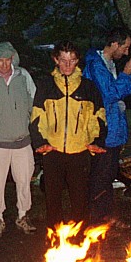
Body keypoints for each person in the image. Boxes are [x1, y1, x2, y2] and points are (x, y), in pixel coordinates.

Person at [31, 41, 107, 226]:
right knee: (53, 201)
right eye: (63, 60)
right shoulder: (45, 86)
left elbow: (98, 118)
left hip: (80, 153)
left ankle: (79, 240)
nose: (67, 65)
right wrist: (40, 143)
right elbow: (36, 118)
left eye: (71, 60)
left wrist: (96, 141)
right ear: (55, 59)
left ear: (77, 61)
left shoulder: (89, 87)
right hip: (52, 152)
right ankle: (55, 240)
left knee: (80, 200)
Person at [0, 42, 37, 237]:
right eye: (0, 60)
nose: (4, 65)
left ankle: (23, 215)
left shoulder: (23, 76)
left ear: (13, 58)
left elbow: (34, 106)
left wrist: (36, 134)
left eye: (8, 60)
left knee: (24, 180)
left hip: (22, 141)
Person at [83, 28, 131, 228]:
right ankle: (97, 219)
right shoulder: (96, 66)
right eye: (124, 47)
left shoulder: (109, 65)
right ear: (114, 44)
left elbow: (124, 91)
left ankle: (106, 215)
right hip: (102, 130)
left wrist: (129, 76)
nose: (125, 52)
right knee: (100, 175)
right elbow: (109, 94)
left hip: (114, 130)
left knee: (108, 174)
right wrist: (127, 74)